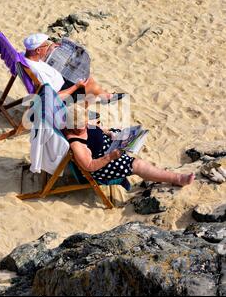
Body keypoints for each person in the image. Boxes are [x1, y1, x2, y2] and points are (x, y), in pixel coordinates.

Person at [63, 105, 195, 188]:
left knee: (130, 135)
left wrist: (109, 133)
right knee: (137, 164)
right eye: (82, 126)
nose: (86, 126)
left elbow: (95, 127)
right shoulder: (77, 144)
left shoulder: (79, 121)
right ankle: (178, 179)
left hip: (109, 144)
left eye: (86, 123)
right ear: (72, 126)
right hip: (102, 163)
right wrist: (110, 157)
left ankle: (152, 173)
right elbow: (89, 166)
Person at [22, 33, 124, 104]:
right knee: (93, 86)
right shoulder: (38, 73)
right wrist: (76, 87)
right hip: (63, 95)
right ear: (38, 50)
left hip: (60, 83)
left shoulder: (25, 58)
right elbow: (53, 98)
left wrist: (49, 52)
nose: (48, 46)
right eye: (46, 45)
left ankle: (101, 96)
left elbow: (39, 64)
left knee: (86, 77)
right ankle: (88, 107)